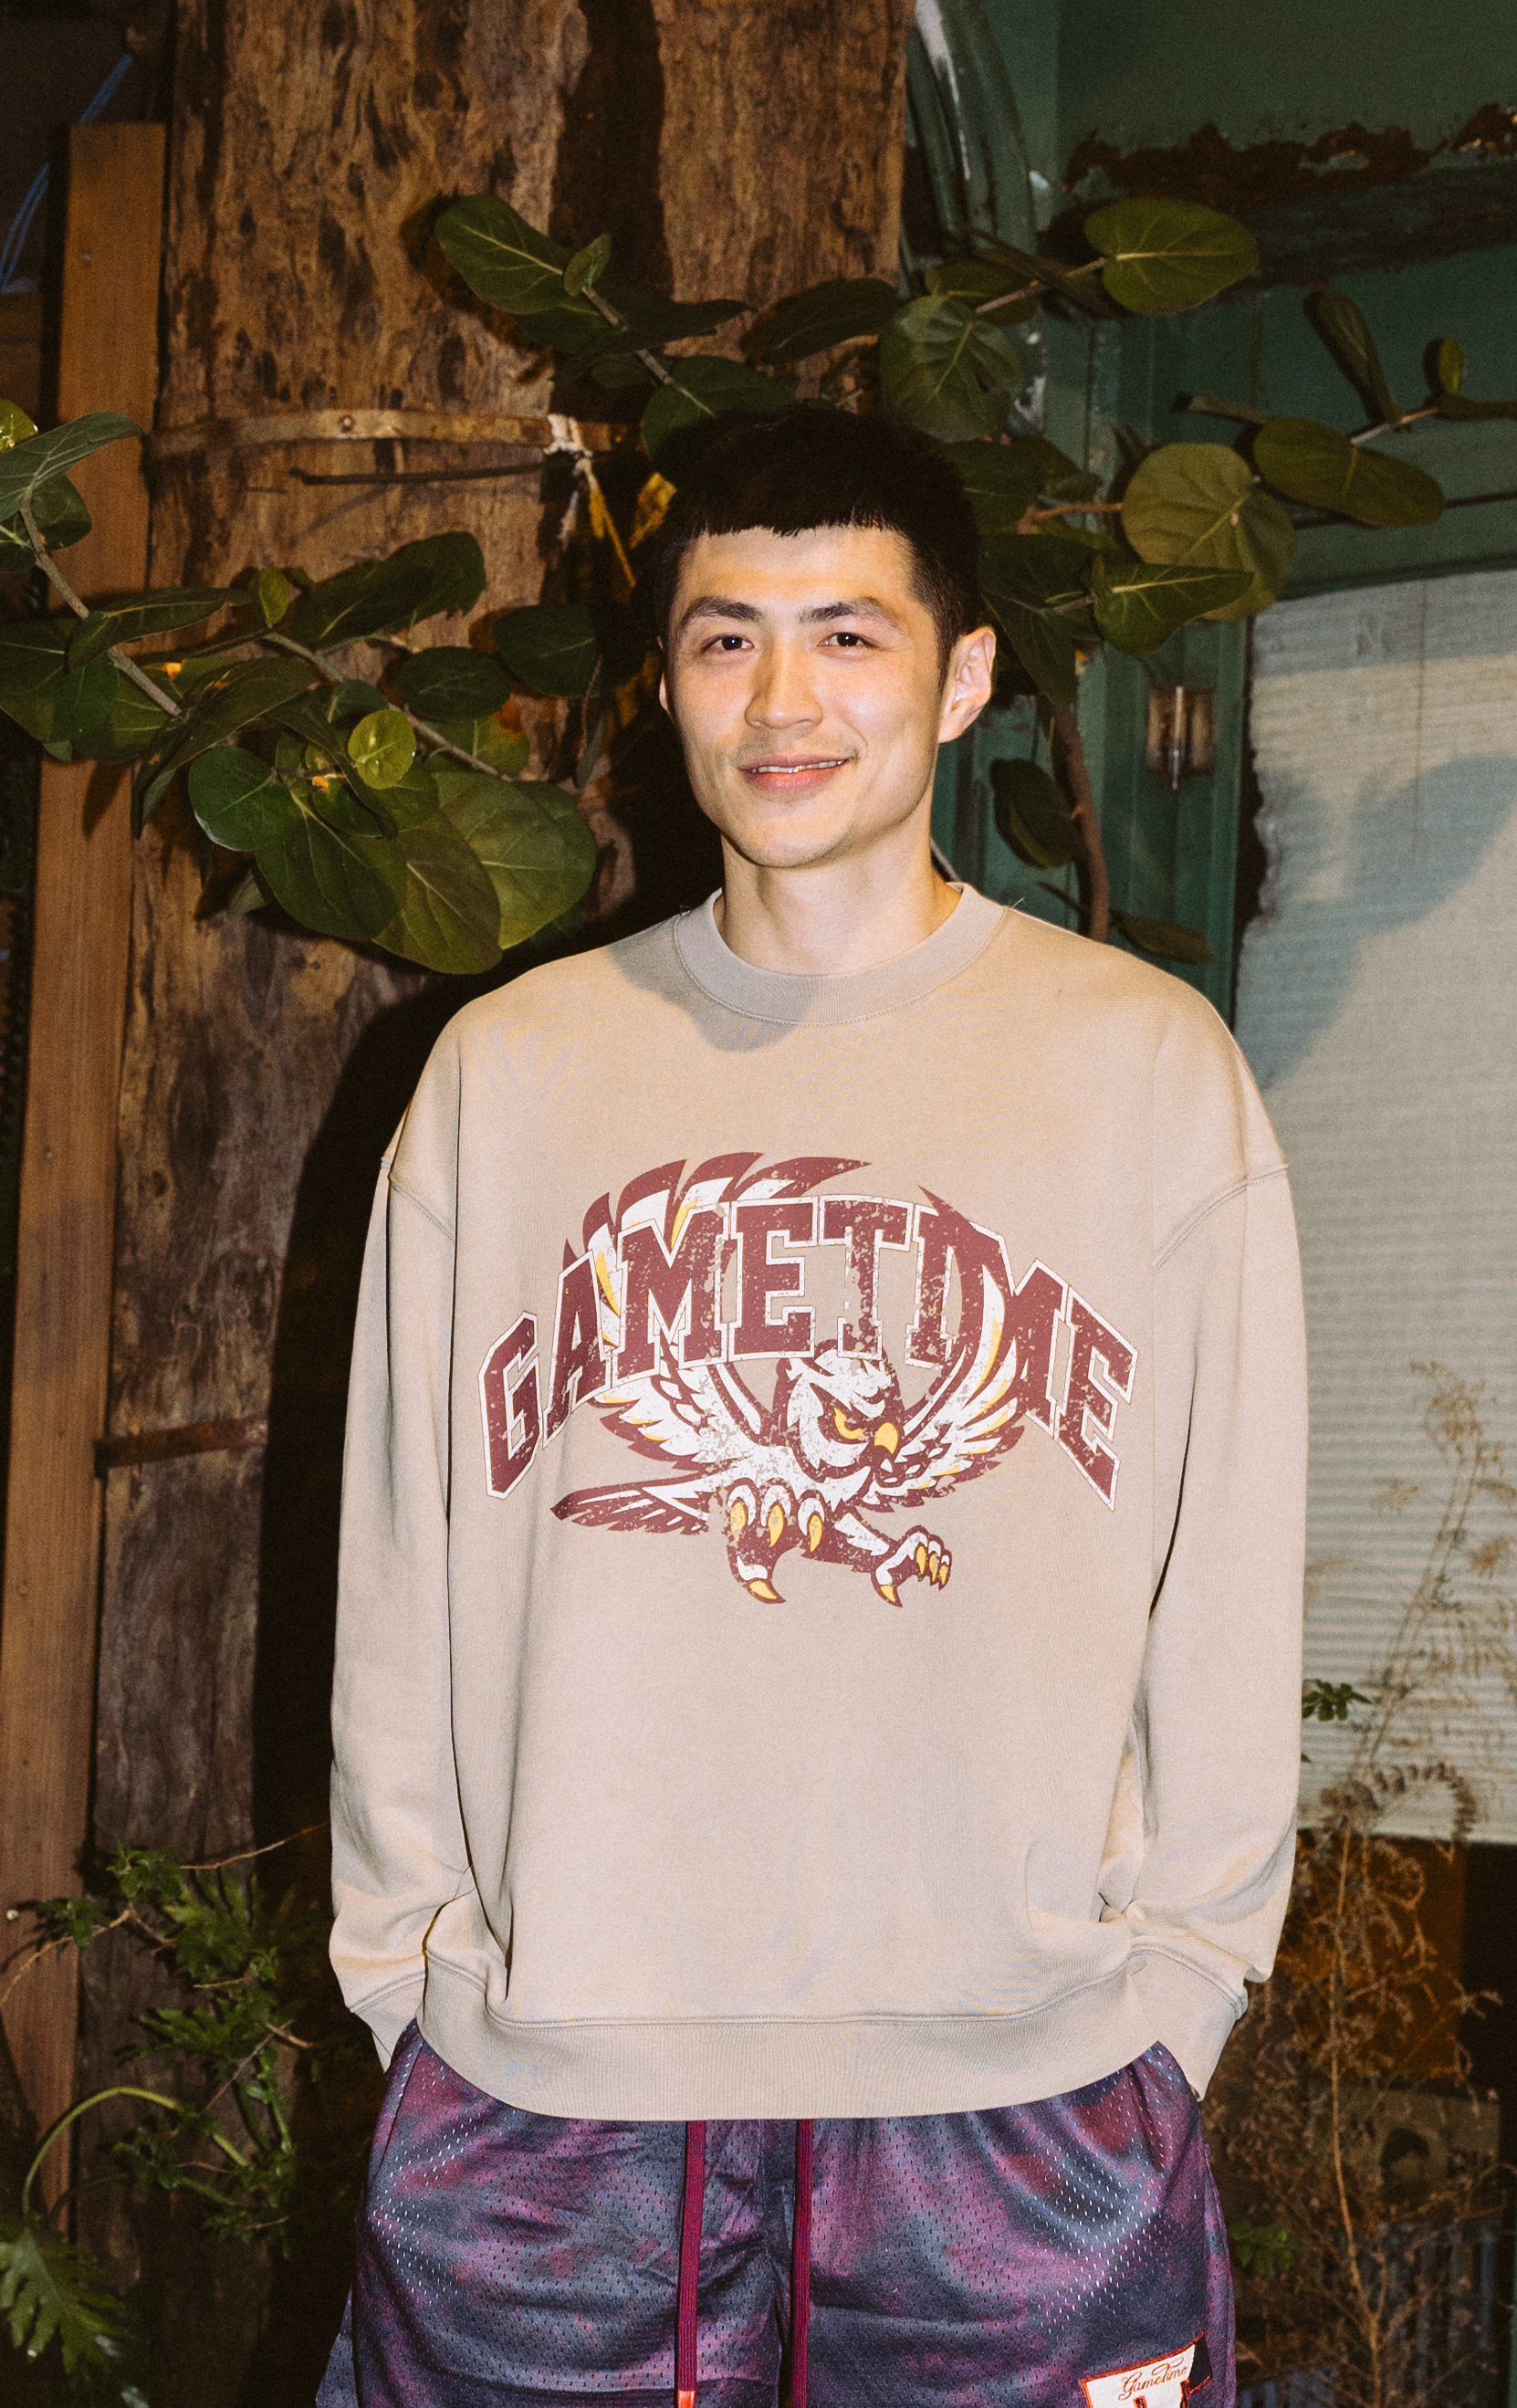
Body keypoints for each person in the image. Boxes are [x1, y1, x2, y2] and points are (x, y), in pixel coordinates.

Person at [319, 407, 1307, 2408]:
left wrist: (1180, 1993)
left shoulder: (1142, 1068)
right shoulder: (506, 1076)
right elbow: (399, 1560)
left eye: (849, 635)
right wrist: (410, 1975)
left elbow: (1230, 1573)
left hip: (1022, 2101)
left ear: (962, 675)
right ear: (664, 683)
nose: (783, 702)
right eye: (726, 639)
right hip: (547, 2103)